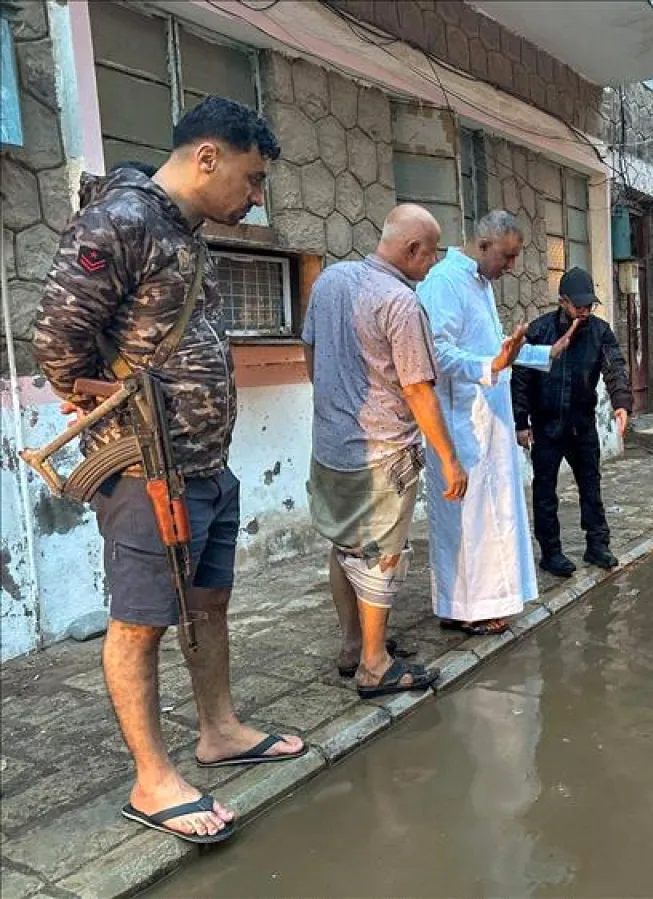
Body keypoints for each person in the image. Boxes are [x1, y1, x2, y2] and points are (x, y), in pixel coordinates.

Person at [31, 97, 303, 844]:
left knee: (209, 601)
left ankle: (219, 729)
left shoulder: (183, 230)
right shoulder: (118, 221)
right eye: (252, 178)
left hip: (204, 463)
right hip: (144, 468)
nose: (256, 198)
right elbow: (55, 339)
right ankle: (152, 779)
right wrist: (103, 403)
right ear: (207, 157)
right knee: (141, 620)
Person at [302, 204, 468, 697]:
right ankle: (374, 665)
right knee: (381, 555)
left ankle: (353, 645)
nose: (434, 263)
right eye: (431, 253)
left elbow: (310, 349)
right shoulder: (401, 303)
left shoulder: (330, 281)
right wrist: (449, 458)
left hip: (330, 445)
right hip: (383, 453)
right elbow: (418, 390)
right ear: (412, 249)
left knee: (344, 545)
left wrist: (333, 403)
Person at [417, 210, 577, 635]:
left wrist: (544, 353)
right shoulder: (445, 282)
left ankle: (469, 604)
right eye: (507, 256)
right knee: (467, 520)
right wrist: (489, 366)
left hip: (490, 421)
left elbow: (497, 352)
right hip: (461, 423)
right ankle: (467, 608)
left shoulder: (481, 285)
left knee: (489, 518)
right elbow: (437, 352)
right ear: (483, 244)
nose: (511, 266)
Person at [511, 267, 633, 577]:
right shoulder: (539, 331)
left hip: (582, 424)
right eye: (578, 305)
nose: (584, 311)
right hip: (546, 425)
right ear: (563, 301)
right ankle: (551, 552)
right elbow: (521, 377)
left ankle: (597, 545)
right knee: (545, 491)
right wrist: (521, 421)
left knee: (591, 486)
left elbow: (615, 368)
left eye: (588, 305)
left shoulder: (600, 332)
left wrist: (621, 404)